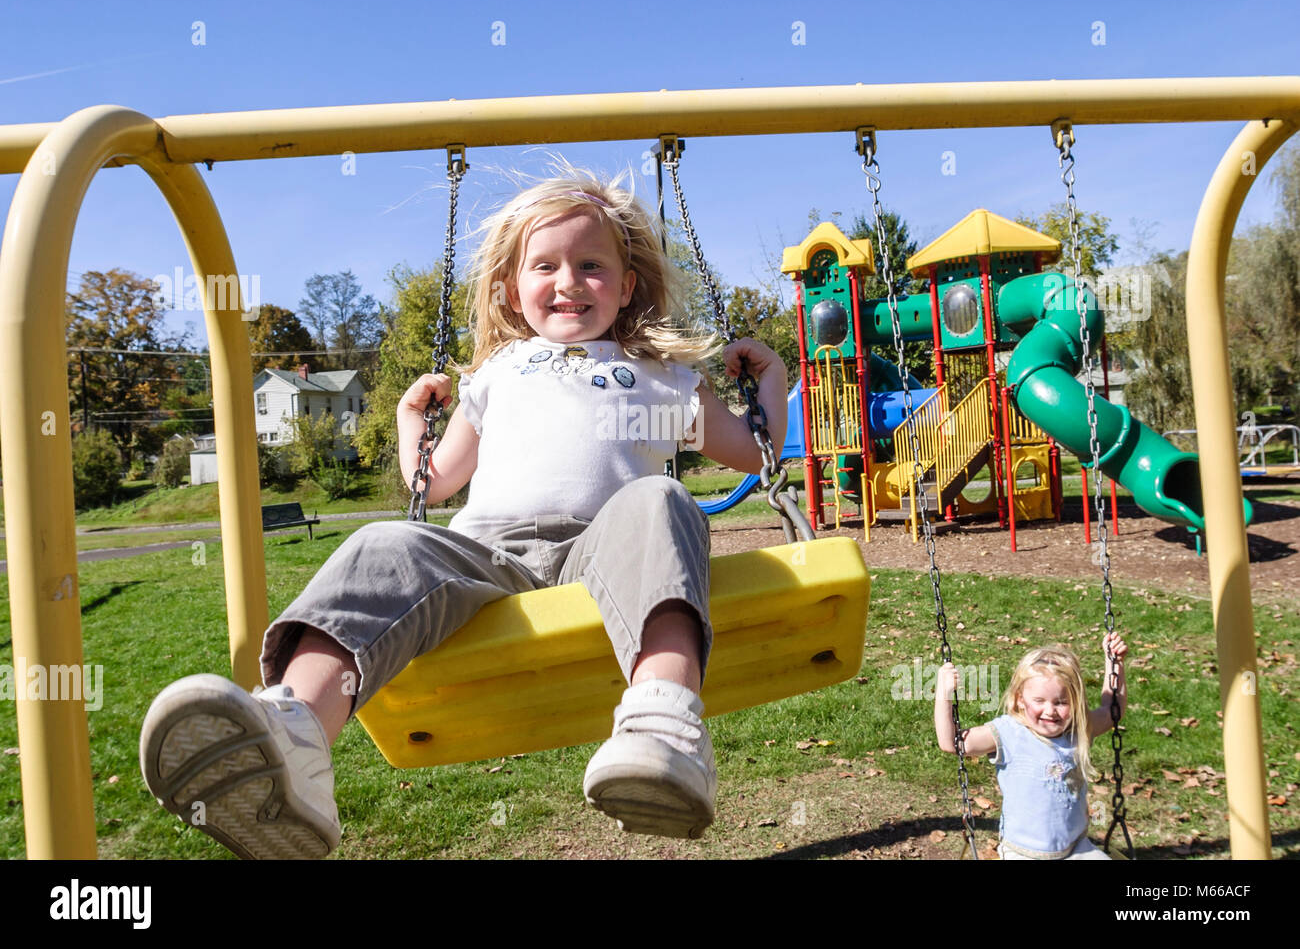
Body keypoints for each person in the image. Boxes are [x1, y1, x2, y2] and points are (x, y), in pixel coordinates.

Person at [139, 166, 789, 859]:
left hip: (608, 551)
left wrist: (769, 384)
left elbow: (757, 453)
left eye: (591, 266)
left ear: (627, 285)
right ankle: (295, 737)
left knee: (663, 500)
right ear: (512, 286)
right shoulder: (495, 376)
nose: (568, 281)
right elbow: (438, 482)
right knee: (386, 543)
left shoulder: (660, 375)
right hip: (488, 558)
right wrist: (408, 420)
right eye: (546, 265)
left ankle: (665, 727)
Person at [933, 632, 1128, 860]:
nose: (1050, 710)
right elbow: (952, 743)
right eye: (1039, 701)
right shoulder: (1009, 733)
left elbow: (1112, 711)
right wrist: (944, 693)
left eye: (1061, 702)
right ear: (1019, 700)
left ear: (1075, 702)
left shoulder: (1078, 729)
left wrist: (1114, 662)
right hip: (1023, 853)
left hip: (1075, 847)